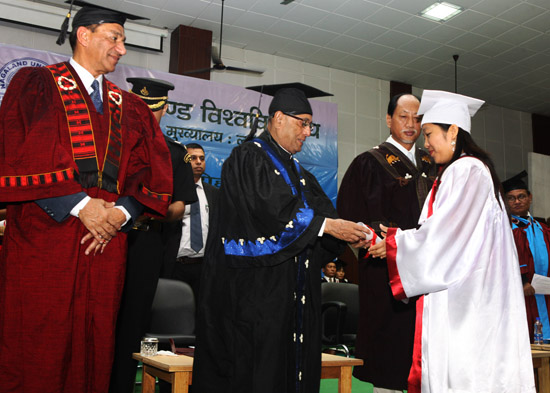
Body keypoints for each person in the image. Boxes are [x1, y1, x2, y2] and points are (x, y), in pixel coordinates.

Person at [0, 6, 173, 393]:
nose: (122, 48)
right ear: (83, 35)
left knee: (96, 344)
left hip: (106, 243)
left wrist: (121, 213)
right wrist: (81, 205)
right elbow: (23, 148)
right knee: (38, 341)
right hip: (47, 236)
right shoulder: (37, 84)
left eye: (123, 40)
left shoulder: (129, 106)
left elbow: (152, 171)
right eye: (115, 37)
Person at [193, 85, 369, 393]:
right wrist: (326, 226)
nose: (307, 131)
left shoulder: (300, 172)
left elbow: (323, 215)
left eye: (310, 125)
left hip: (294, 292)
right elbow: (270, 210)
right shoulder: (248, 159)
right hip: (256, 295)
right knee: (259, 372)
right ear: (277, 118)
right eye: (302, 122)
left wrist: (349, 230)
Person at [368, 90, 535, 393]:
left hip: (468, 307)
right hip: (464, 297)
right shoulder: (460, 172)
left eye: (430, 134)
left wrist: (395, 243)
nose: (426, 143)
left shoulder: (468, 170)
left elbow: (445, 237)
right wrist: (400, 241)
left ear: (454, 131)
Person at [336, 93, 435, 392]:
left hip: (429, 273)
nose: (410, 124)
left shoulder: (433, 164)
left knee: (428, 350)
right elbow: (349, 218)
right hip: (385, 274)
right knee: (390, 355)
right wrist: (374, 240)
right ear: (389, 119)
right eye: (403, 116)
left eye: (417, 118)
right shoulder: (368, 162)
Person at [109, 77, 198, 393]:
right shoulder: (112, 143)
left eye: (153, 109)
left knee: (133, 322)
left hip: (145, 241)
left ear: (165, 109)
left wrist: (148, 209)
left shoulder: (175, 153)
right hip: (108, 238)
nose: (146, 114)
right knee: (99, 316)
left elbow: (179, 207)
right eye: (139, 108)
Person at [503, 171, 550, 342]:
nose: (516, 201)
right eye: (511, 198)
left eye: (521, 196)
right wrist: (522, 281)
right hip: (521, 293)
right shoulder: (505, 228)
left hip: (544, 292)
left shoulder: (542, 228)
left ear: (529, 198)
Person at [172, 142, 218, 301]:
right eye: (193, 158)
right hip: (175, 267)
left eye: (202, 158)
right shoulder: (172, 190)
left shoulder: (214, 193)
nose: (199, 162)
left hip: (203, 268)